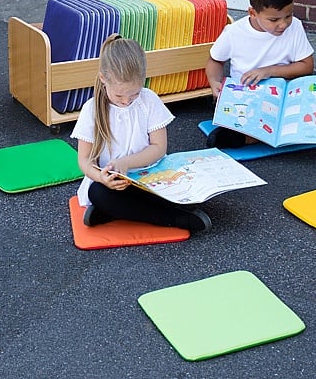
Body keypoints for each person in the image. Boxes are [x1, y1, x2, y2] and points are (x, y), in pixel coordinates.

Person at [71, 34, 212, 233]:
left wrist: (127, 163)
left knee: (186, 189)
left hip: (150, 176)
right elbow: (84, 161)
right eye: (119, 95)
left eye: (134, 93)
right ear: (103, 78)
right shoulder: (91, 109)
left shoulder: (149, 100)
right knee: (98, 193)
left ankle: (113, 212)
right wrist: (102, 178)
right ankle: (174, 219)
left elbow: (159, 148)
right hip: (112, 183)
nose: (127, 101)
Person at [204, 0, 314, 148]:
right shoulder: (234, 33)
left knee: (310, 107)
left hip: (283, 98)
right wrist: (214, 83)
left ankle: (250, 137)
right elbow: (215, 60)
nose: (283, 24)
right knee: (241, 115)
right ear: (252, 13)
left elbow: (307, 66)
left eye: (288, 15)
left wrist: (269, 71)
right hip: (248, 98)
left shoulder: (294, 26)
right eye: (274, 20)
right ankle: (249, 136)